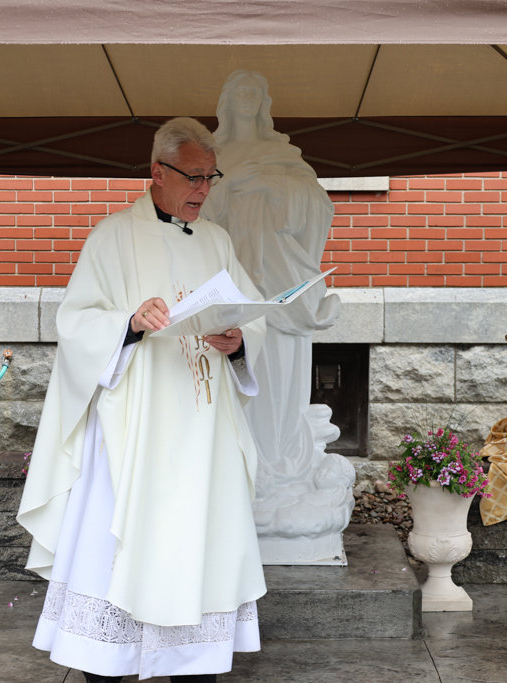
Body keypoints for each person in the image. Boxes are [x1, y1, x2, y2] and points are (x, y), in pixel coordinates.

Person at [16, 117, 267, 683]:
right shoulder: (112, 237)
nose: (204, 190)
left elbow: (249, 313)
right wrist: (128, 323)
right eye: (194, 177)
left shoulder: (218, 241)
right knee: (117, 544)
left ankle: (189, 657)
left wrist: (238, 340)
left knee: (196, 541)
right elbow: (75, 323)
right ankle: (106, 663)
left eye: (211, 178)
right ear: (157, 172)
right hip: (136, 425)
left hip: (203, 427)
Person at [201, 70, 354, 562]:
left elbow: (318, 207)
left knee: (282, 376)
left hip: (283, 287)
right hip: (233, 285)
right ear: (226, 103)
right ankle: (238, 473)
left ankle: (283, 465)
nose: (246, 99)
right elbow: (197, 215)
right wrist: (231, 188)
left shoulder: (287, 159)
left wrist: (273, 185)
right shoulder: (214, 159)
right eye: (237, 91)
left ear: (264, 103)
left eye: (254, 92)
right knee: (232, 378)